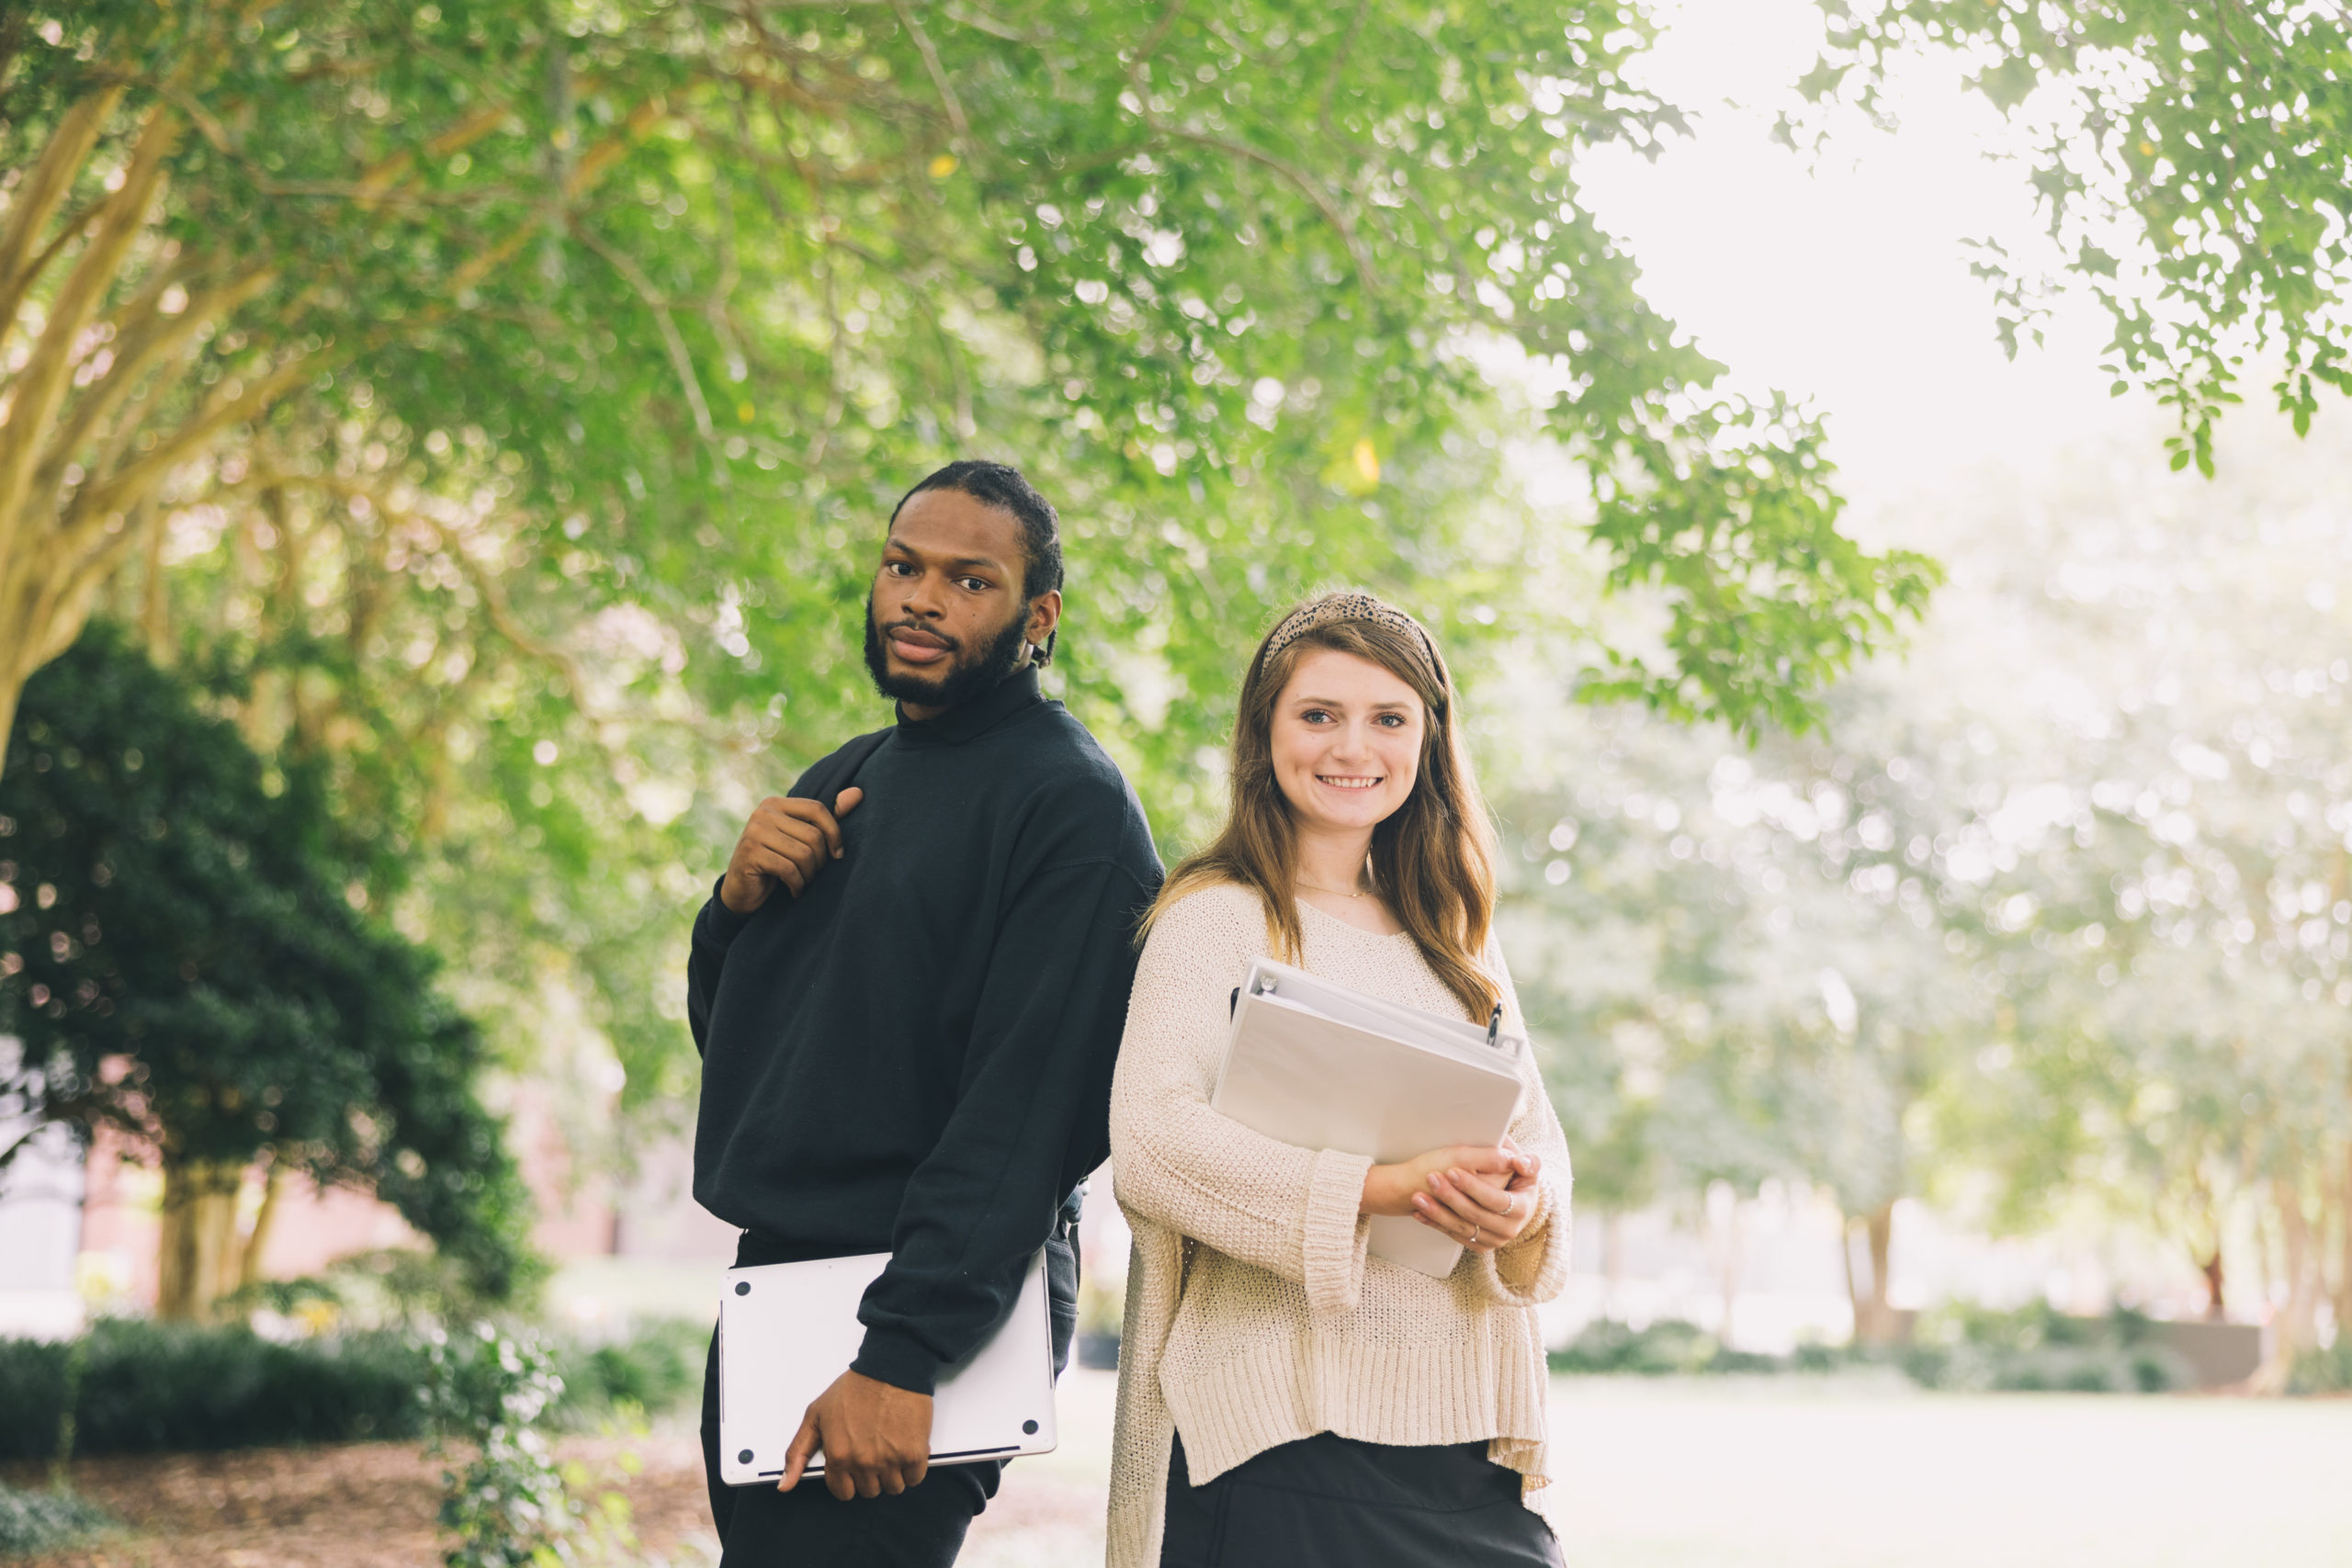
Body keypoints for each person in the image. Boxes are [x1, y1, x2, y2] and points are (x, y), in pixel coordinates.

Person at [687, 459, 1162, 1567]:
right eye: (903, 567)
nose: (920, 599)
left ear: (1037, 617)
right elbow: (756, 1054)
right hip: (778, 1290)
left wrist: (901, 1357)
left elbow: (1025, 1117)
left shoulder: (1071, 808)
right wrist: (732, 909)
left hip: (922, 1304)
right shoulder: (848, 778)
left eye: (968, 580)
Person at [1104, 591, 1572, 1568]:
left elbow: (1538, 1146)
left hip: (1469, 1452)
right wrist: (1377, 1189)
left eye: (1387, 719)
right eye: (1318, 715)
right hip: (1283, 1442)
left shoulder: (1460, 939)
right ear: (1264, 733)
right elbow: (1151, 1141)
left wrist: (1518, 1208)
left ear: (1428, 741)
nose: (1350, 747)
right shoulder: (1214, 918)